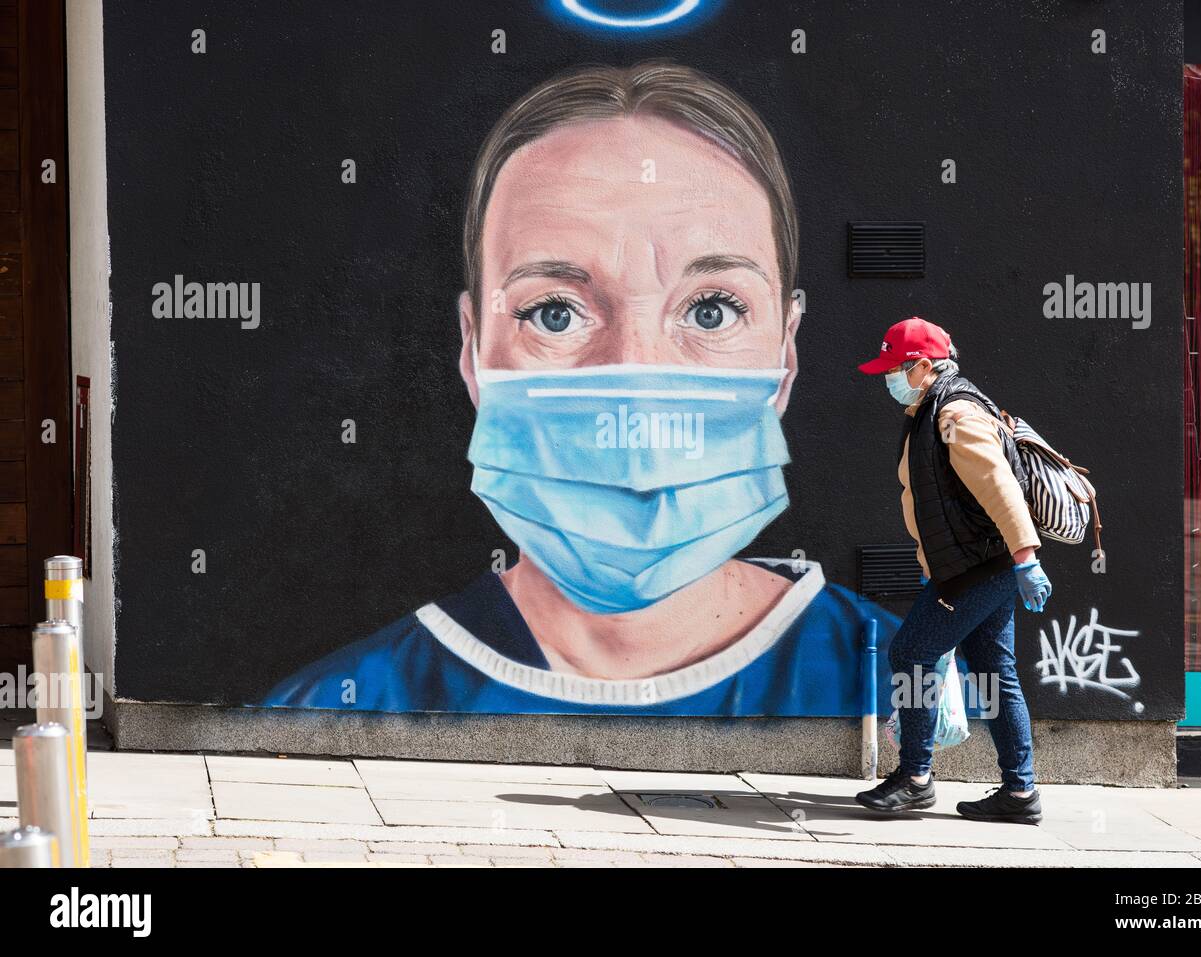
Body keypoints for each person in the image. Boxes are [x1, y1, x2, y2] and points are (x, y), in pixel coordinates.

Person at [261, 61, 899, 716]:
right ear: (473, 351)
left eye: (711, 309)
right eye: (555, 313)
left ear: (786, 352)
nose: (636, 385)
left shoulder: (905, 689)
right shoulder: (337, 708)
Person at [853, 317, 1049, 824]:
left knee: (912, 651)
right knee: (991, 668)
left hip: (977, 566)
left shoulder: (956, 412)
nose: (888, 379)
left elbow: (997, 486)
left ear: (923, 366)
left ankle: (914, 779)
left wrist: (1027, 558)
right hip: (976, 562)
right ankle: (1019, 792)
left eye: (894, 369)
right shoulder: (933, 407)